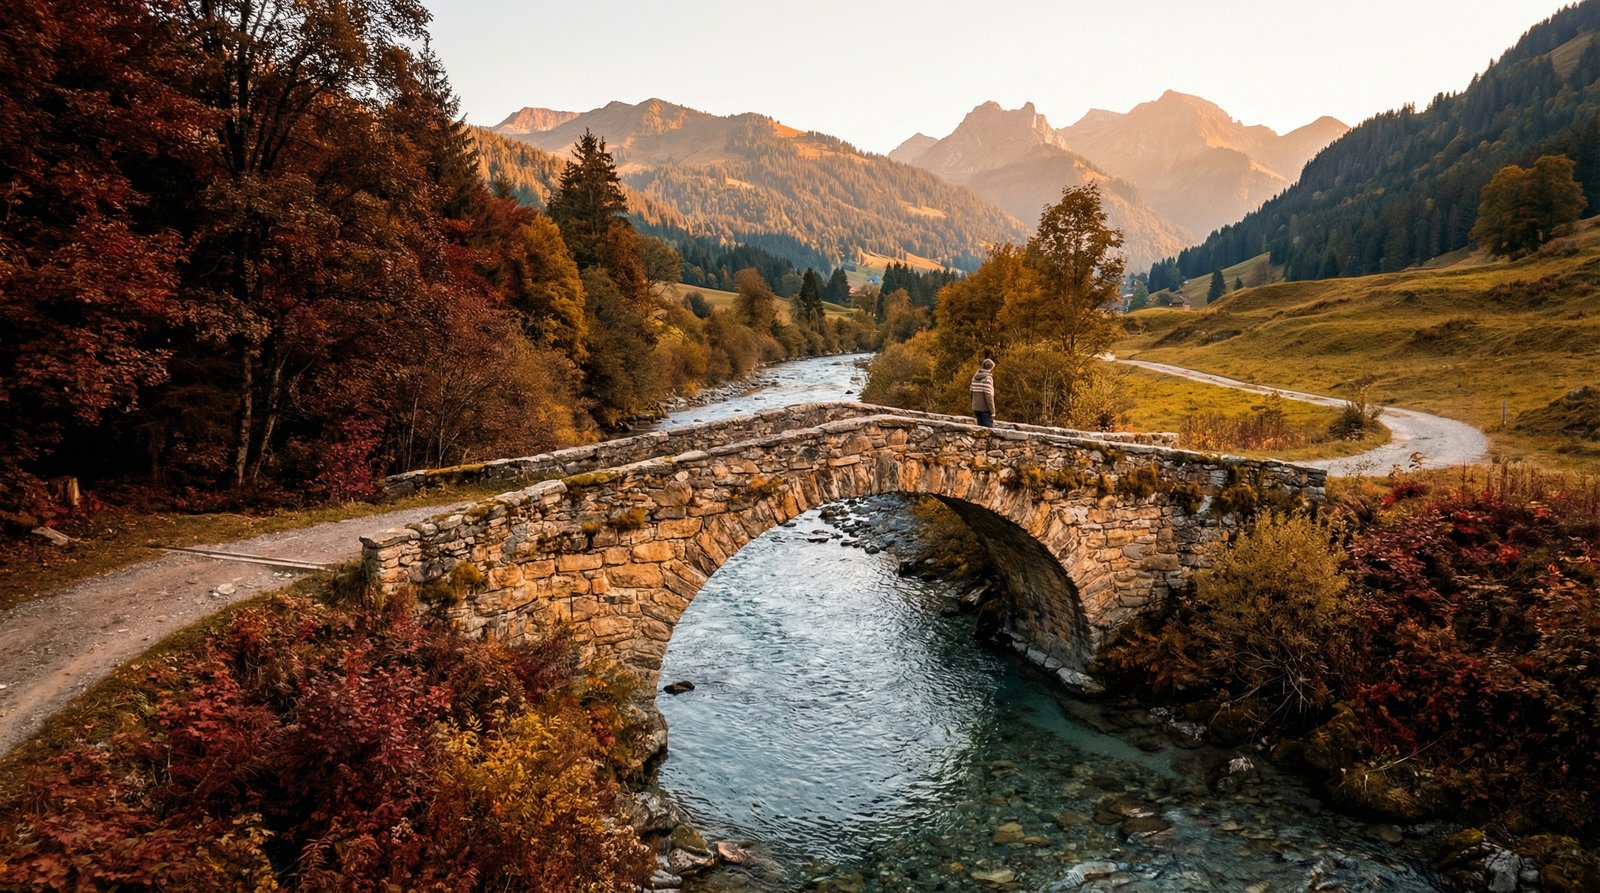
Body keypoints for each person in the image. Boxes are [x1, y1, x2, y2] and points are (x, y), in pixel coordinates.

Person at [970, 358, 996, 427]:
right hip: (985, 409)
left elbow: (971, 392)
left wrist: (973, 404)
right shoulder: (987, 378)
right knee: (988, 430)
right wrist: (992, 411)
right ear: (990, 368)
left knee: (979, 430)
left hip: (976, 407)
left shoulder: (974, 378)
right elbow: (988, 396)